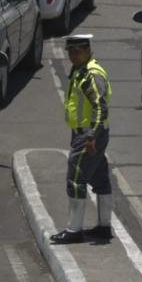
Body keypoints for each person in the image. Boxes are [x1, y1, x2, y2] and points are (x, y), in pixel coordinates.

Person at [50, 34, 112, 244]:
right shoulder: (81, 71)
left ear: (87, 50)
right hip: (87, 132)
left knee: (76, 177)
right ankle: (104, 227)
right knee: (99, 177)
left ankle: (74, 230)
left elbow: (99, 107)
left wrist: (91, 137)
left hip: (89, 134)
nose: (73, 56)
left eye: (77, 51)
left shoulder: (91, 75)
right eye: (70, 52)